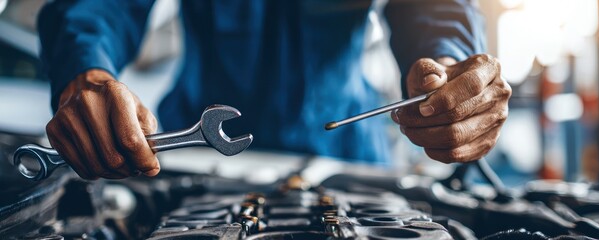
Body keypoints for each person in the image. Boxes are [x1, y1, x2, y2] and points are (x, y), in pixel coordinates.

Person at [37, 0, 511, 180]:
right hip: (191, 160)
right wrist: (88, 71)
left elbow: (433, 6)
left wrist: (448, 66)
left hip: (345, 161)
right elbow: (96, 9)